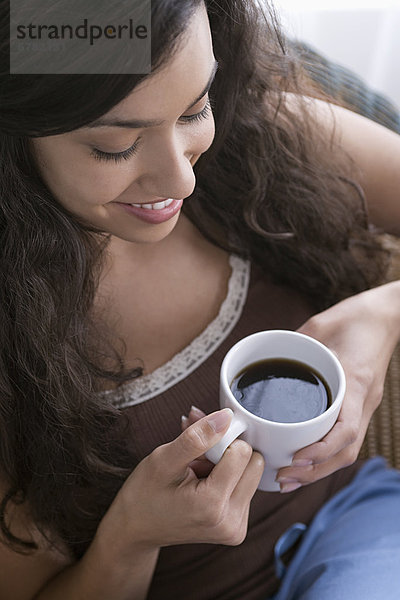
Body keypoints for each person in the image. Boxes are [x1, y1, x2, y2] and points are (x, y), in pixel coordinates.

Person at [1, 1, 400, 598]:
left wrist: (384, 315)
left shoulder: (261, 136)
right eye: (115, 146)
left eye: (195, 108)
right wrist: (132, 536)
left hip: (358, 532)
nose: (182, 180)